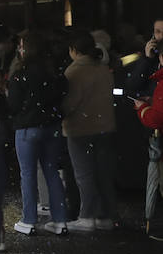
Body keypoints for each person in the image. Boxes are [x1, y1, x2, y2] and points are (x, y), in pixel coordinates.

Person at [5, 32, 69, 235]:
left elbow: (13, 105)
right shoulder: (54, 73)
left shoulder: (20, 73)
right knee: (52, 172)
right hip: (51, 126)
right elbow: (62, 93)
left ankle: (29, 220)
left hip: (27, 128)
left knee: (28, 173)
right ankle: (60, 221)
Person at [62, 31, 118, 233]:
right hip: (105, 126)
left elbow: (70, 104)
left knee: (84, 173)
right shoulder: (103, 69)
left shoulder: (74, 71)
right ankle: (106, 215)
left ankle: (87, 215)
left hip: (80, 129)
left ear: (74, 50)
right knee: (103, 172)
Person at [126, 18, 163, 237]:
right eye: (156, 31)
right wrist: (146, 60)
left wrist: (147, 108)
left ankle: (153, 220)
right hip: (150, 126)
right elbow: (132, 85)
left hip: (154, 119)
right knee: (152, 172)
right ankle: (151, 218)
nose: (157, 37)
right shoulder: (150, 60)